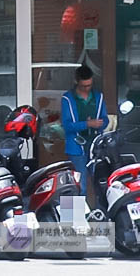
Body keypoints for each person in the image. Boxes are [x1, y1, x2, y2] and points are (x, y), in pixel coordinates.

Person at [61, 64, 108, 196]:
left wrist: (100, 124)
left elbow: (105, 119)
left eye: (89, 85)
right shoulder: (67, 98)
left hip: (95, 146)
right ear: (77, 82)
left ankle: (100, 215)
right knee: (78, 185)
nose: (87, 89)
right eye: (84, 86)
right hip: (76, 147)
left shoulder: (98, 96)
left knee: (101, 184)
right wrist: (87, 124)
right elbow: (67, 126)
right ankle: (72, 216)